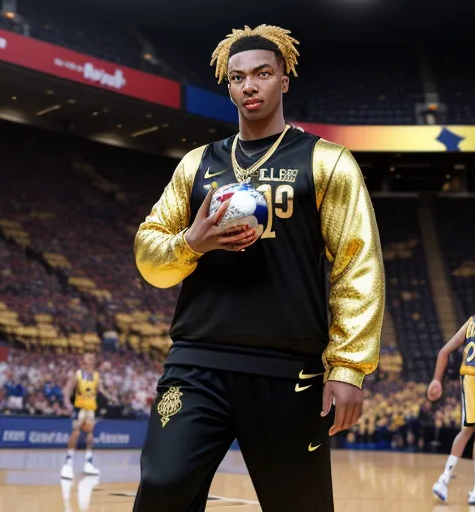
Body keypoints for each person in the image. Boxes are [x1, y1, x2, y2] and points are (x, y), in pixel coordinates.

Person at [132, 24, 385, 511]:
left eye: (262, 73)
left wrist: (349, 367)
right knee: (162, 487)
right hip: (197, 363)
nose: (249, 85)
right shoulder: (196, 165)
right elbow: (150, 255)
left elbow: (359, 263)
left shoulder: (327, 161)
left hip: (287, 370)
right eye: (237, 77)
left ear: (284, 80)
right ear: (228, 87)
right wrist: (192, 242)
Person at [428, 281, 475, 505]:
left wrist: (437, 379)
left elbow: (444, 352)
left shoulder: (472, 322)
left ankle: (443, 479)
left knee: (467, 430)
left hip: (468, 381)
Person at [60, 352, 106, 480]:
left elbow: (101, 390)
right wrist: (67, 403)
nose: (88, 361)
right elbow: (67, 389)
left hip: (91, 408)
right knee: (75, 433)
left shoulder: (97, 376)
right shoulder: (77, 374)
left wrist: (110, 395)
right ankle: (68, 465)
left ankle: (88, 464)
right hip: (79, 407)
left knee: (90, 434)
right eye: (87, 359)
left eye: (91, 359)